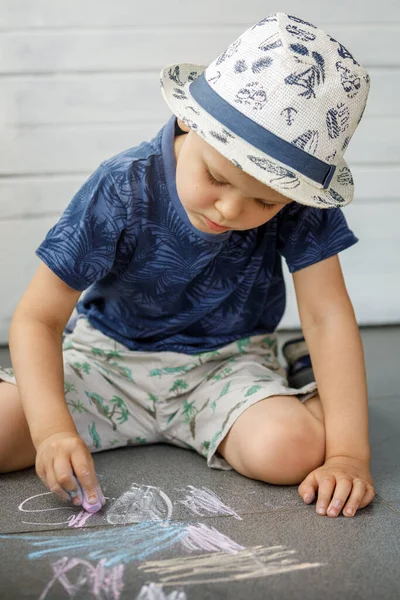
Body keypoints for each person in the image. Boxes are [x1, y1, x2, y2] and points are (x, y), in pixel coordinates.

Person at [0, 13, 375, 518]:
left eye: (264, 204)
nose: (230, 210)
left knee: (291, 451)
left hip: (224, 365)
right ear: (187, 120)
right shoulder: (121, 185)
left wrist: (350, 455)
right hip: (109, 361)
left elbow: (328, 316)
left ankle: (304, 381)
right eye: (216, 178)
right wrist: (52, 432)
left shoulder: (298, 200)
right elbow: (36, 318)